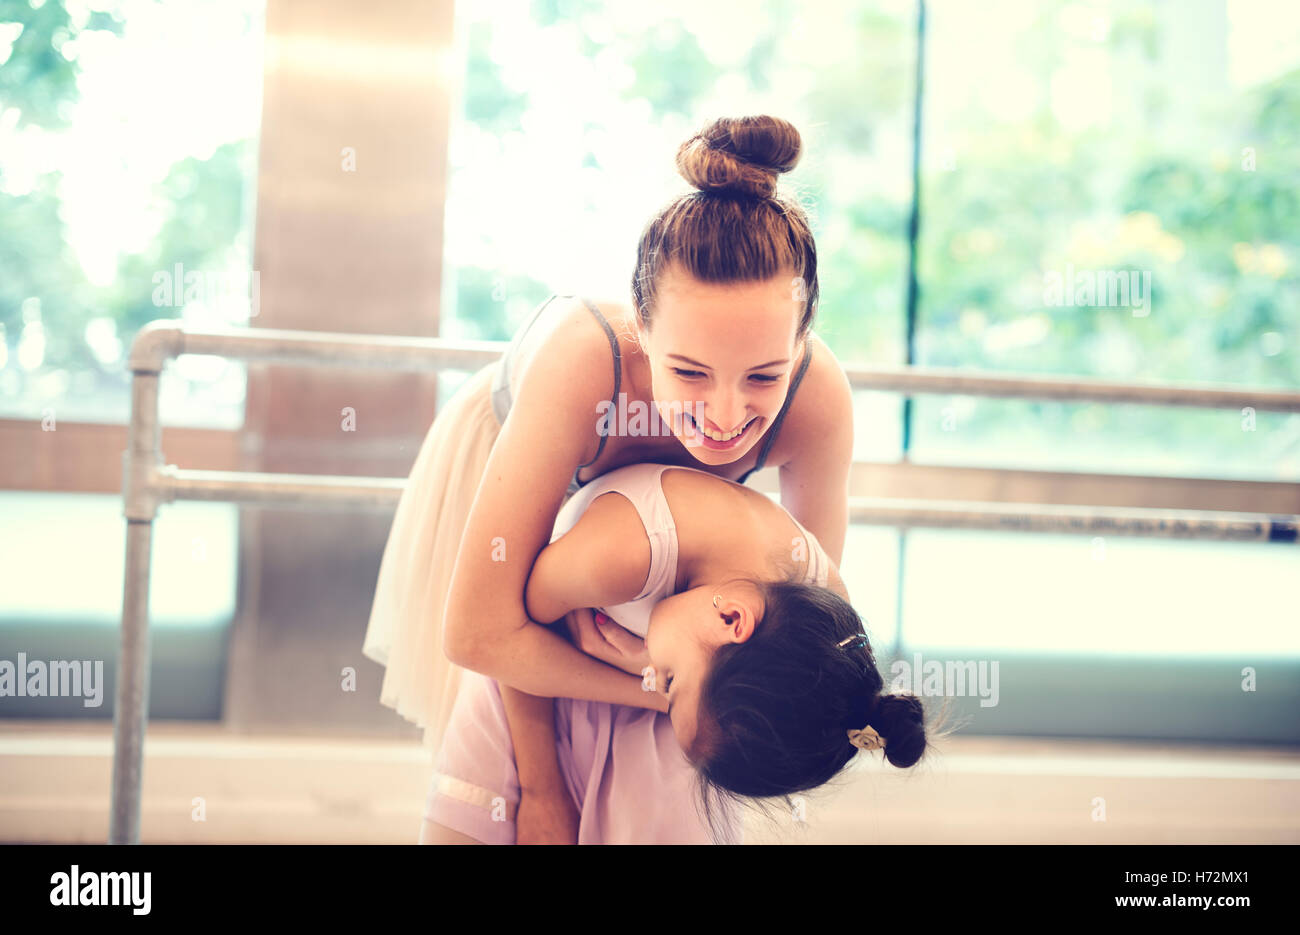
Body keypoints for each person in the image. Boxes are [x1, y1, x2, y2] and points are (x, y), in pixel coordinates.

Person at [362, 114, 856, 842]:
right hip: (516, 458)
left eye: (763, 375)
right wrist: (552, 779)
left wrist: (684, 692)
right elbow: (486, 631)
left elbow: (782, 628)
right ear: (643, 330)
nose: (723, 416)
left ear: (802, 338)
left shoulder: (819, 403)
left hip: (647, 562)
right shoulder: (585, 362)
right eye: (688, 372)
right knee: (520, 797)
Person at [420, 462, 934, 844]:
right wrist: (545, 786)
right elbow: (511, 631)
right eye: (668, 682)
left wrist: (651, 678)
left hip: (659, 741)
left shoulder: (822, 620)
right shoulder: (620, 554)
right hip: (535, 688)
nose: (656, 683)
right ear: (731, 618)